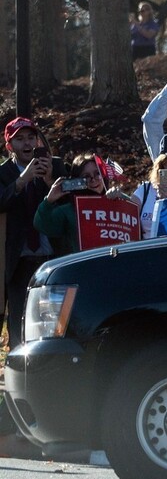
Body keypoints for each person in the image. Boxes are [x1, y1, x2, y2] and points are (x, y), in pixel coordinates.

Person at [0, 117, 67, 351]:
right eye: (19, 139)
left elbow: (70, 205)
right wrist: (23, 180)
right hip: (18, 262)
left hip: (52, 260)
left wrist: (49, 181)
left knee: (53, 326)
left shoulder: (56, 166)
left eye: (30, 137)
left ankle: (49, 378)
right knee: (19, 325)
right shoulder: (4, 173)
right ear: (9, 146)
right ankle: (18, 376)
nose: (27, 143)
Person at [34, 154, 130, 253]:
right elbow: (42, 225)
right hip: (85, 265)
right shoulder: (70, 210)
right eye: (86, 176)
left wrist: (123, 200)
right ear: (77, 180)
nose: (93, 179)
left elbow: (139, 221)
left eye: (97, 173)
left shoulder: (118, 201)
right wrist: (49, 200)